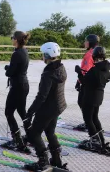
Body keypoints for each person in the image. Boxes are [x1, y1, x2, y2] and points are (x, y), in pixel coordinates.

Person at [23, 42, 68, 171]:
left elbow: (41, 96)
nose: (42, 57)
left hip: (48, 108)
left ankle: (43, 161)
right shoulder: (61, 67)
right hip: (58, 106)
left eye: (43, 54)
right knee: (50, 131)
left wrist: (30, 113)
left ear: (47, 55)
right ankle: (56, 160)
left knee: (34, 133)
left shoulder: (48, 73)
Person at [75, 46, 110, 153]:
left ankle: (95, 140)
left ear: (94, 56)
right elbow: (106, 78)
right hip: (99, 96)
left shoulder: (94, 69)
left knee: (88, 119)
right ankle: (101, 140)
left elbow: (84, 82)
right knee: (94, 117)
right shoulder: (106, 66)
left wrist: (78, 72)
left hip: (90, 97)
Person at [1, 31, 30, 152]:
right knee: (22, 112)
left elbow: (10, 72)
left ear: (16, 40)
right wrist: (10, 68)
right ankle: (31, 137)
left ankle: (18, 141)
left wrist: (7, 69)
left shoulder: (16, 53)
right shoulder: (24, 50)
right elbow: (17, 68)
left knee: (9, 112)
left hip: (17, 86)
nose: (11, 39)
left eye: (12, 38)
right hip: (24, 84)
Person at [74, 34, 99, 130]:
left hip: (86, 82)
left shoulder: (89, 54)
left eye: (86, 41)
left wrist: (79, 82)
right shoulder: (96, 52)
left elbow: (85, 70)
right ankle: (90, 121)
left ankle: (88, 122)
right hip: (93, 83)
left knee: (82, 102)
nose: (85, 43)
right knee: (88, 104)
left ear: (91, 42)